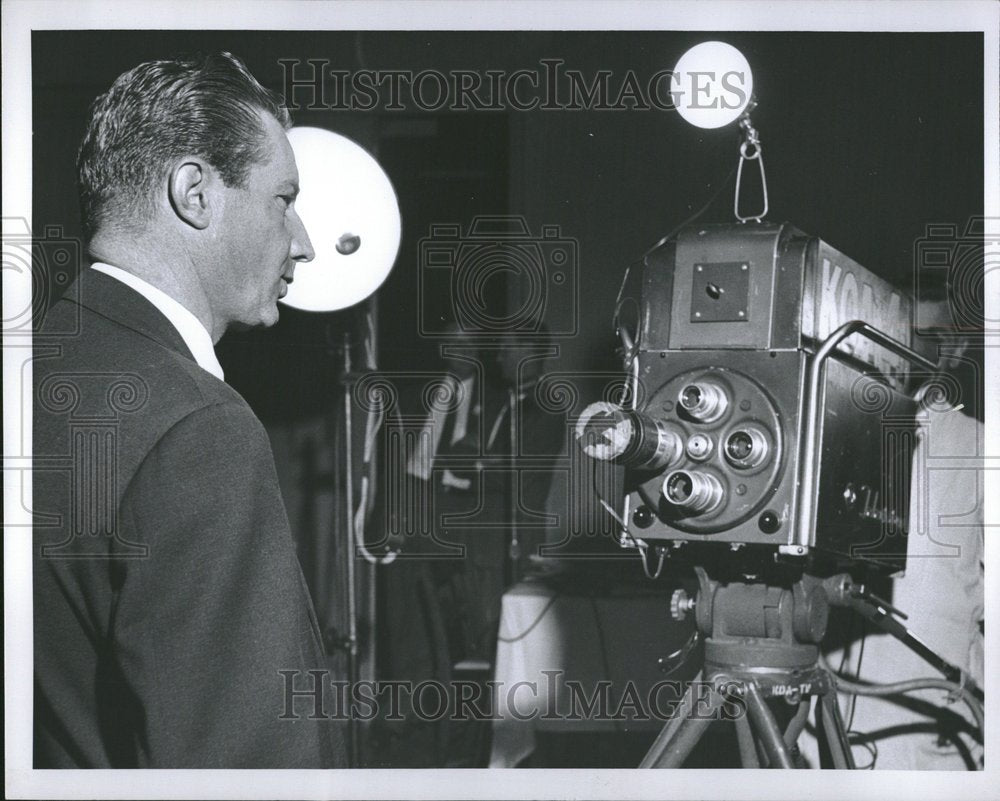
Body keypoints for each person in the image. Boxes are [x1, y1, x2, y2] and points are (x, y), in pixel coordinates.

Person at [32, 52, 345, 768]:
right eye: (282, 200)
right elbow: (246, 768)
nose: (303, 242)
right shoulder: (198, 430)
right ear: (195, 193)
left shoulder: (40, 366)